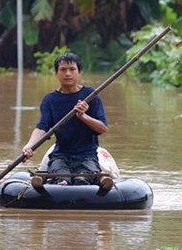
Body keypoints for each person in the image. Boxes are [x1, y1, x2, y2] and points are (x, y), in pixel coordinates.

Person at [22, 52, 114, 189]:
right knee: (62, 180)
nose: (68, 74)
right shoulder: (50, 100)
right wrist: (29, 146)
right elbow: (42, 127)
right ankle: (61, 182)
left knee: (82, 180)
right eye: (63, 70)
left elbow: (102, 128)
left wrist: (84, 116)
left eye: (72, 69)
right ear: (56, 73)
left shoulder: (91, 96)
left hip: (87, 155)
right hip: (61, 155)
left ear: (79, 72)